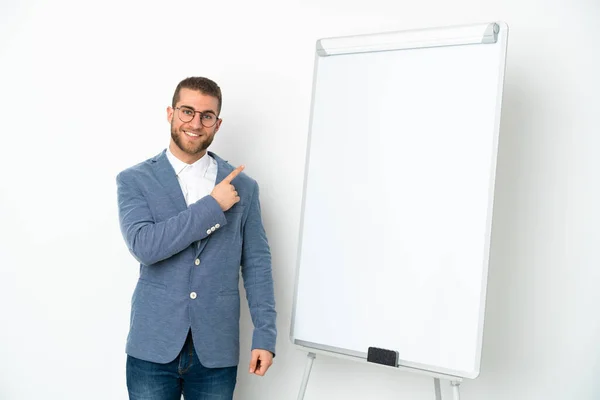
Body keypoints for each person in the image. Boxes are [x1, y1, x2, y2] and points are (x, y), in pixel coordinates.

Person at [116, 76, 277, 400]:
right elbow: (146, 247)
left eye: (206, 115)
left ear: (217, 124)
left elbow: (257, 265)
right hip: (153, 344)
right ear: (170, 113)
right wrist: (213, 206)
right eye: (187, 111)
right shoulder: (135, 180)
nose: (195, 122)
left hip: (216, 347)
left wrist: (265, 334)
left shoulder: (244, 187)